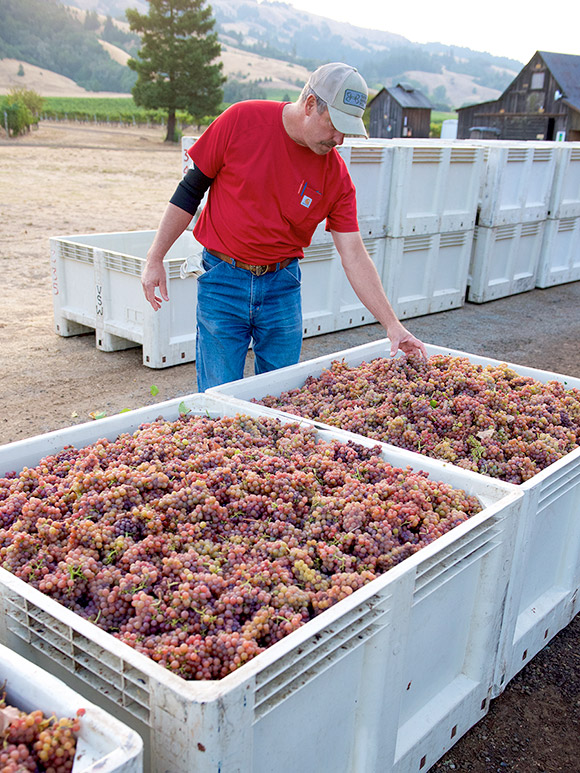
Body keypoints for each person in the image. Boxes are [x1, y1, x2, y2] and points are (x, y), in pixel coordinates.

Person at [141, 62, 427, 391]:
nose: (340, 139)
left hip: (282, 288)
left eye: (347, 130)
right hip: (223, 279)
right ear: (309, 105)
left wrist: (392, 325)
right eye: (335, 125)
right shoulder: (241, 120)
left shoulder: (336, 177)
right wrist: (155, 257)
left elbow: (354, 255)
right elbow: (190, 189)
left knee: (281, 395)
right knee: (218, 394)